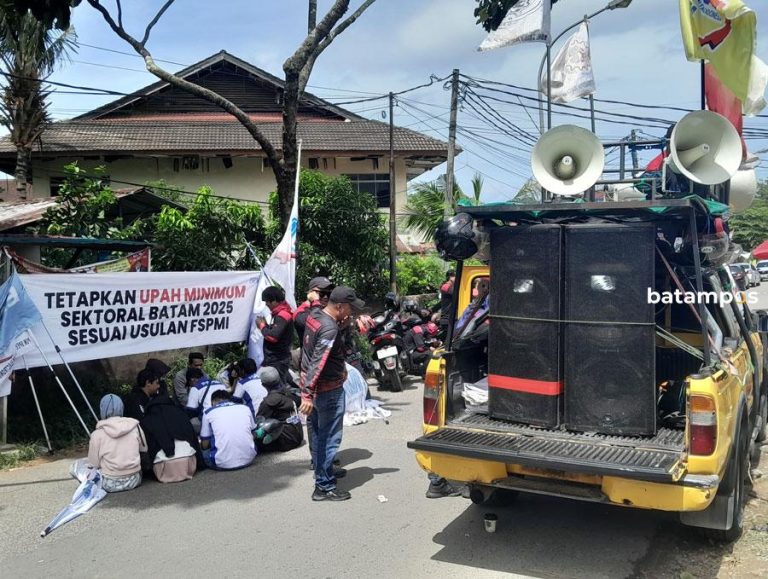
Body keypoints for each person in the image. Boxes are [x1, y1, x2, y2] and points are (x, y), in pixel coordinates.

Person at [300, 285, 365, 502]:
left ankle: (324, 474)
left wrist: (343, 327)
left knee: (319, 436)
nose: (352, 312)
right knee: (329, 439)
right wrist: (306, 393)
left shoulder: (316, 314)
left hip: (320, 388)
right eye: (349, 308)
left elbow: (315, 304)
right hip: (327, 390)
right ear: (339, 306)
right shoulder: (329, 328)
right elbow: (318, 361)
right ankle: (324, 486)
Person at [80, 394, 147, 493]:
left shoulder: (97, 434)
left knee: (77, 466)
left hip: (109, 483)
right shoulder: (134, 426)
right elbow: (144, 449)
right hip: (135, 479)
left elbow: (94, 463)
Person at [140, 394, 201, 483]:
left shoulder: (148, 419)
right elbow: (192, 439)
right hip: (187, 464)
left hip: (163, 467)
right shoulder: (180, 414)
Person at [200, 389, 257, 470]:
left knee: (203, 452)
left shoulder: (208, 412)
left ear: (213, 401)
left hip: (222, 464)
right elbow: (253, 433)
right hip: (249, 459)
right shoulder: (245, 408)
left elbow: (205, 444)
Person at [256, 366, 304, 452]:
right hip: (298, 436)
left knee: (258, 431)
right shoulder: (290, 393)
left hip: (285, 441)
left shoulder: (269, 402)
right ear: (279, 379)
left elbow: (259, 421)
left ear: (263, 385)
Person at [256, 286, 295, 384]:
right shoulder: (279, 313)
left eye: (267, 302)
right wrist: (266, 326)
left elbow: (273, 337)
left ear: (273, 301)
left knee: (277, 387)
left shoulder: (282, 315)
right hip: (276, 358)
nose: (266, 305)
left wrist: (262, 326)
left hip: (278, 360)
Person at [294, 276, 334, 342]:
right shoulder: (300, 312)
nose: (326, 297)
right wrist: (315, 301)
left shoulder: (326, 309)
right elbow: (319, 323)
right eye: (322, 293)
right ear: (311, 293)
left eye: (328, 294)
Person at [439, 270, 456, 334]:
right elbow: (456, 294)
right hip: (447, 319)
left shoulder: (451, 286)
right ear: (450, 277)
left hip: (451, 318)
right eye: (455, 276)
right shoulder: (446, 286)